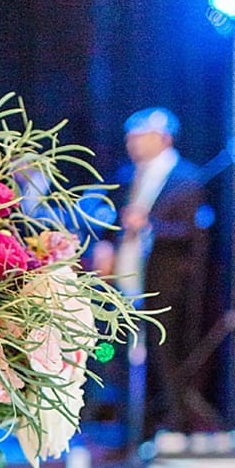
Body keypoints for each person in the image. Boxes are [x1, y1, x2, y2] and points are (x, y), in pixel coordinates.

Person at [94, 108, 212, 433]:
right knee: (119, 352)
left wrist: (150, 225)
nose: (132, 144)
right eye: (129, 138)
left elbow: (191, 233)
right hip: (126, 277)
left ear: (162, 137)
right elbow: (109, 220)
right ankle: (131, 428)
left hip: (165, 278)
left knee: (163, 351)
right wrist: (106, 245)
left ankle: (173, 423)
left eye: (139, 137)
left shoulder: (186, 177)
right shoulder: (126, 174)